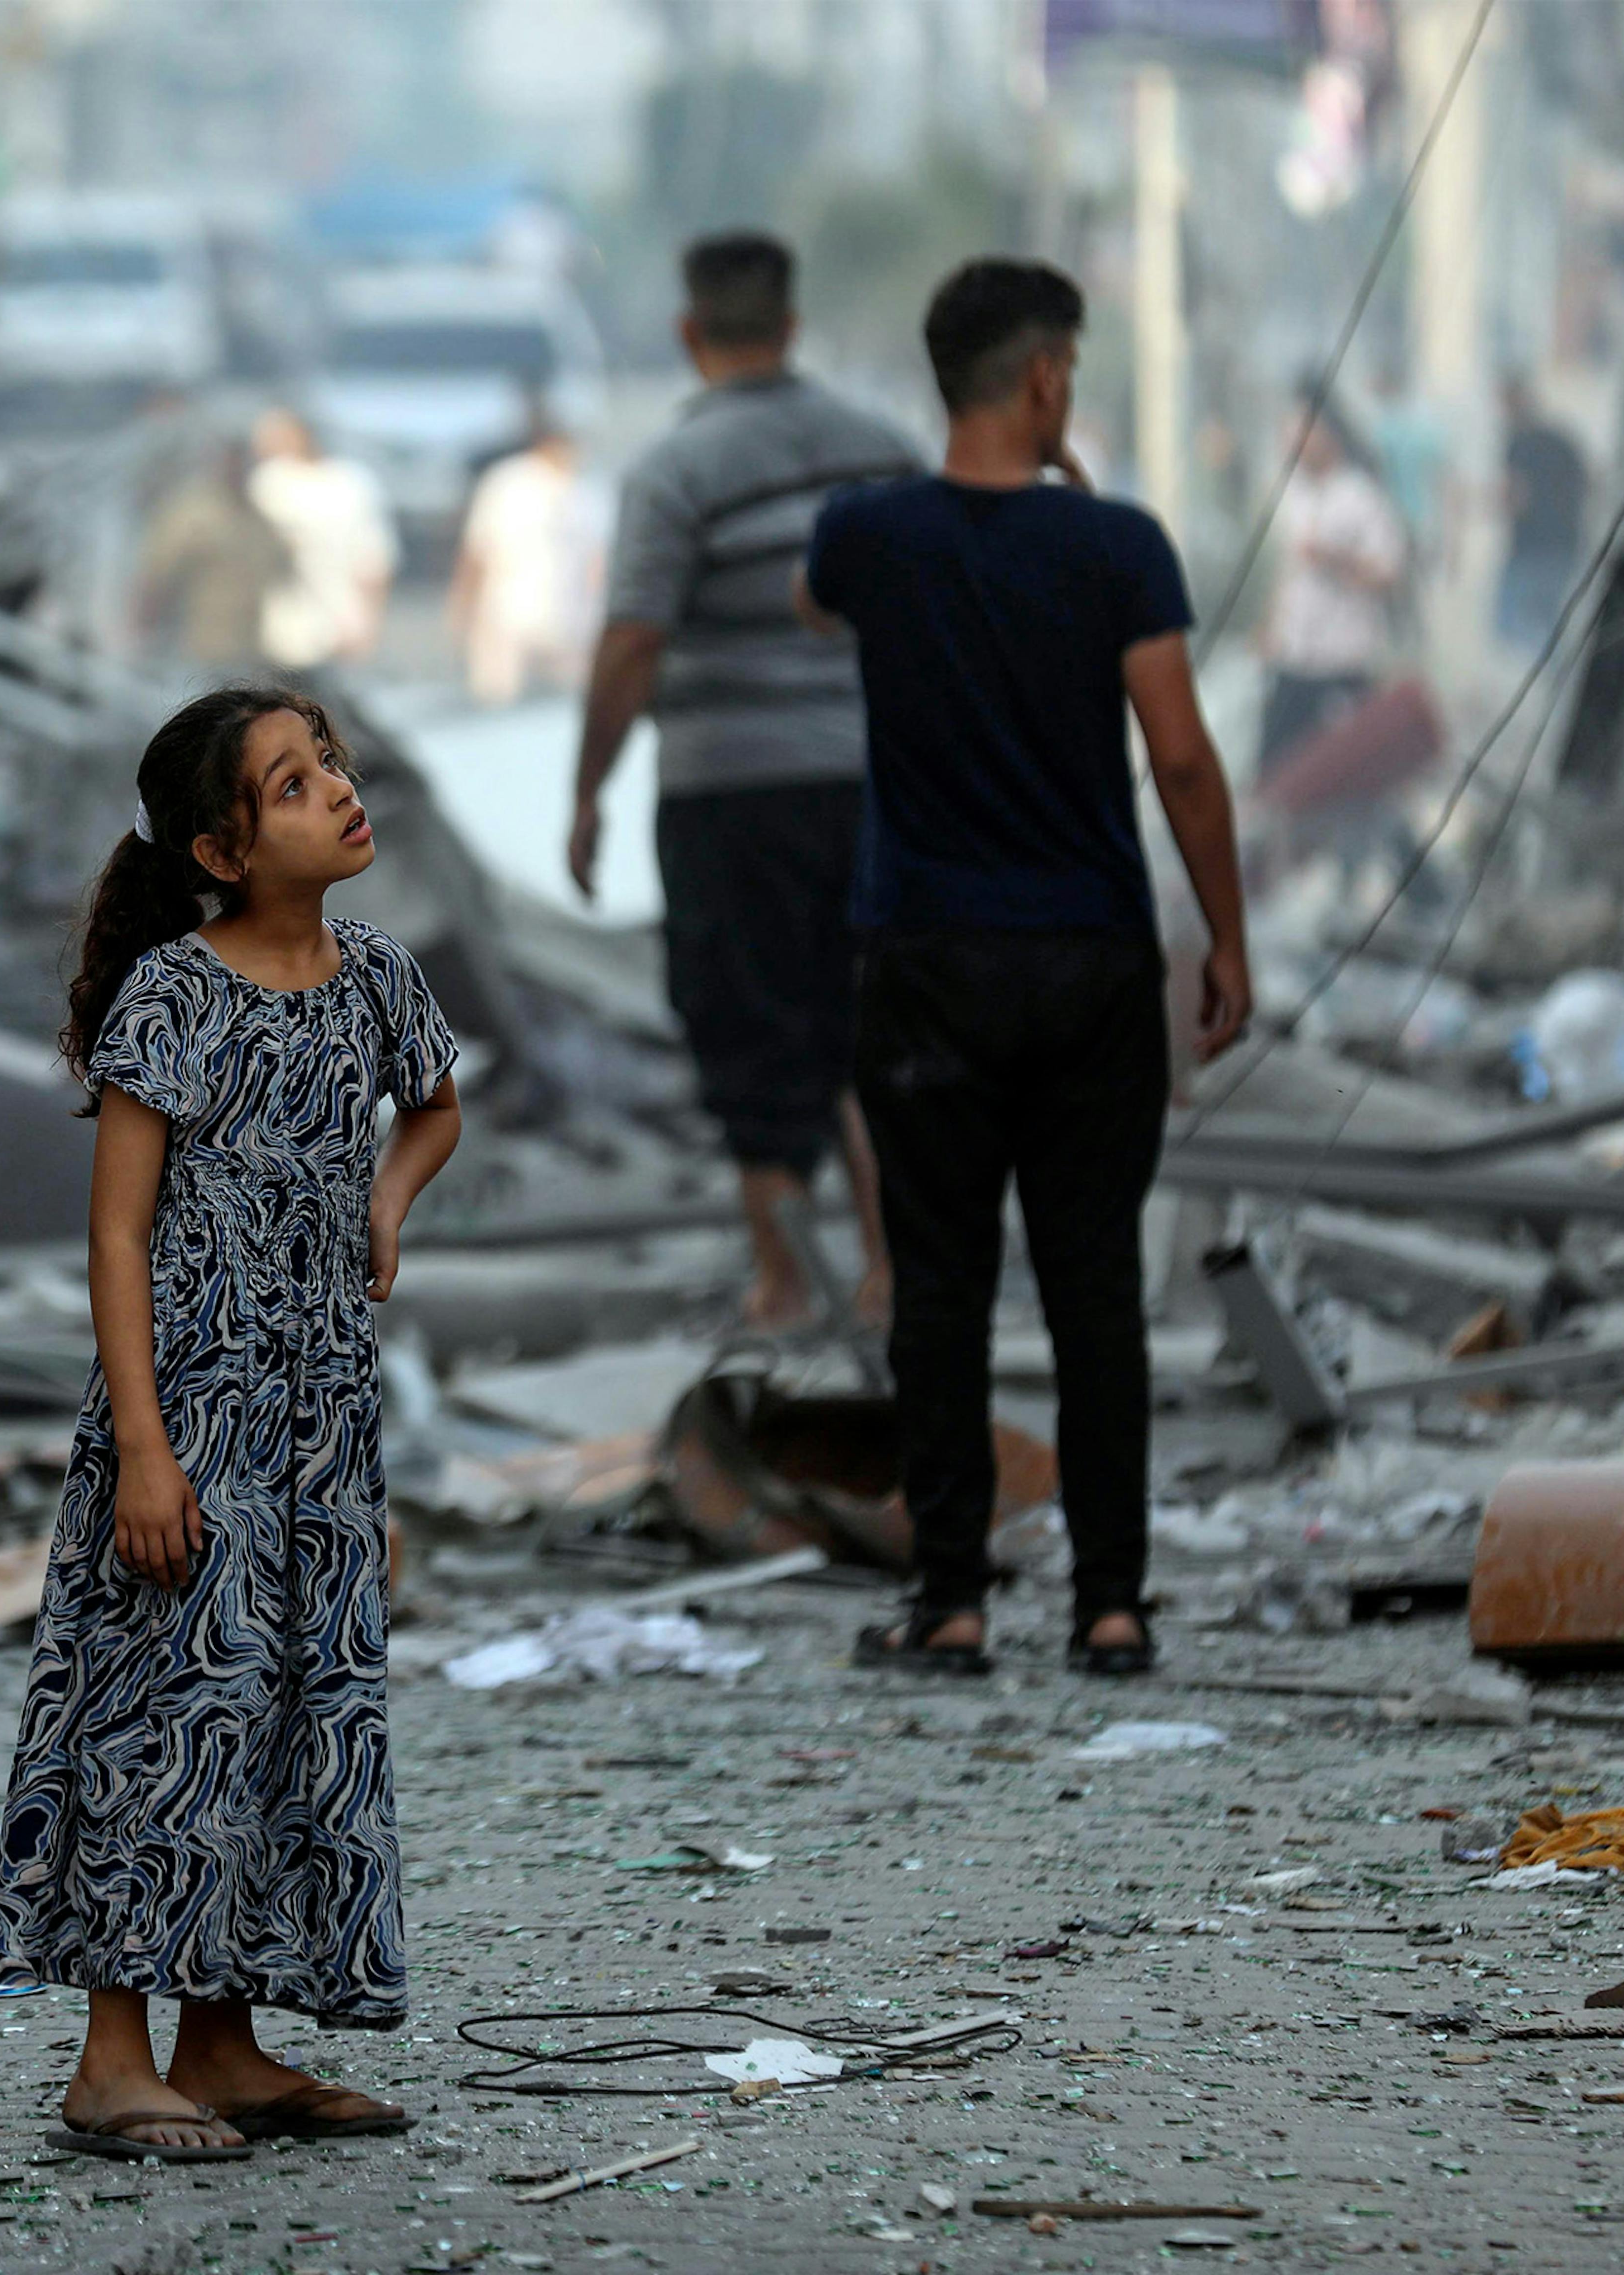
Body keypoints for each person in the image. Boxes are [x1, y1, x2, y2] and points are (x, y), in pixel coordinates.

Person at [0, 688, 463, 2161]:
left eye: (330, 764)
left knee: (278, 1726)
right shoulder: (174, 1000)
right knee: (157, 1725)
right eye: (291, 781)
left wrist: (385, 1202)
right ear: (222, 845)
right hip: (189, 1419)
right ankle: (111, 2059)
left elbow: (433, 1108)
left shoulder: (374, 974)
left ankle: (230, 2046)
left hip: (321, 1429)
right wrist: (142, 1446)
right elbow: (117, 1236)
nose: (336, 790)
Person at [791, 257, 1252, 1679]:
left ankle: (953, 1601)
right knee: (1092, 1285)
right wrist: (1228, 937)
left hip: (926, 963)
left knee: (939, 1286)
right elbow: (1177, 754)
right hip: (1090, 964)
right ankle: (1110, 1605)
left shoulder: (865, 536)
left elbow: (822, 613)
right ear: (1049, 378)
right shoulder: (1118, 548)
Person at [571, 229, 921, 1328]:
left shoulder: (675, 472)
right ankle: (888, 1271)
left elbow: (632, 643)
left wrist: (586, 790)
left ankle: (782, 1282)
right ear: (790, 326)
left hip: (731, 799)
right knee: (874, 1029)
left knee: (755, 1031)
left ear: (689, 332)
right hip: (877, 789)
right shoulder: (883, 453)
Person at [1255, 411, 1405, 776]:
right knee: (1275, 767)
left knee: (1342, 773)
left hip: (1341, 662)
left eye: (1304, 436)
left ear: (1329, 437)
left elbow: (1387, 574)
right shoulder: (1297, 497)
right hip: (1295, 658)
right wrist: (1271, 625)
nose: (1295, 446)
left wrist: (1332, 559)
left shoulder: (1361, 496)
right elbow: (1289, 571)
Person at [444, 409, 598, 705]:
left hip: (568, 621)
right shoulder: (509, 483)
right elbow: (479, 551)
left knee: (562, 709)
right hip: (506, 615)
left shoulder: (586, 491)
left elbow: (596, 565)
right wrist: (463, 605)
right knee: (499, 702)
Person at [246, 407, 395, 670]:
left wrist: (368, 624)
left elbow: (374, 561)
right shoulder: (269, 483)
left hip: (330, 628)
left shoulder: (349, 483)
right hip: (287, 632)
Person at [133, 428, 291, 672]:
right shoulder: (192, 514)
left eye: (243, 463)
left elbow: (281, 573)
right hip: (201, 647)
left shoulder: (260, 520)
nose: (237, 470)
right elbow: (157, 575)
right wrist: (142, 631)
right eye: (231, 462)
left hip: (253, 647)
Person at [1494, 377, 1589, 648]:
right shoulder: (1562, 438)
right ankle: (1555, 677)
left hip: (1531, 549)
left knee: (1514, 624)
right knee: (1549, 622)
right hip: (1567, 544)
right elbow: (1591, 482)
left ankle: (1544, 679)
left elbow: (1516, 497)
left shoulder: (1518, 444)